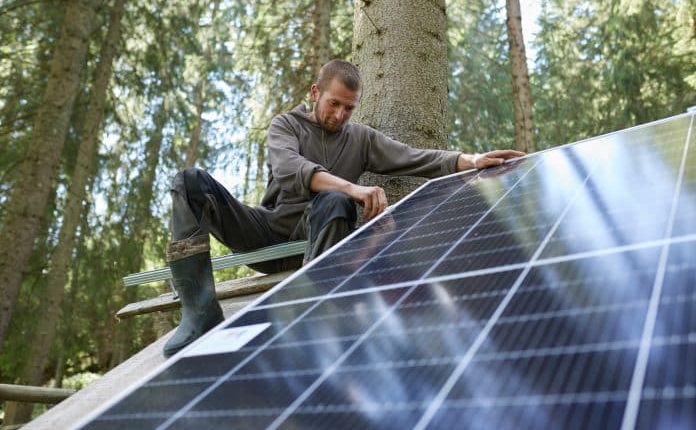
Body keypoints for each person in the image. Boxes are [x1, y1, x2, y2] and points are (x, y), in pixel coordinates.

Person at [163, 59, 524, 357]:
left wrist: (473, 159)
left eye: (349, 108)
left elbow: (416, 158)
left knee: (334, 202)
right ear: (316, 93)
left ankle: (320, 317)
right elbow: (291, 169)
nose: (339, 114)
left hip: (326, 240)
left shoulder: (361, 138)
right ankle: (199, 314)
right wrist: (353, 187)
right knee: (189, 182)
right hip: (269, 235)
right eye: (333, 103)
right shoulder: (285, 125)